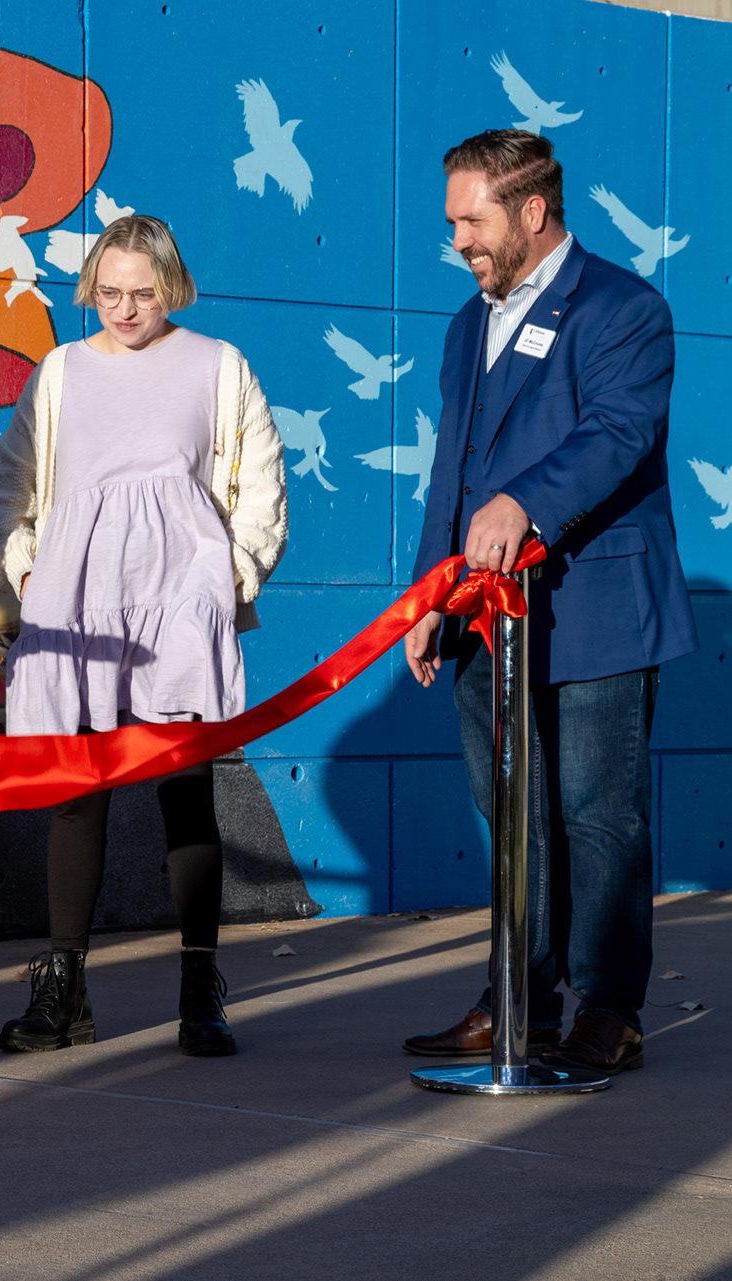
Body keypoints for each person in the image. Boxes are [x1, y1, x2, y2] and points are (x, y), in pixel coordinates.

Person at [401, 131, 695, 1075]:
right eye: (453, 222)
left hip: (598, 605)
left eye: (471, 220)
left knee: (598, 815)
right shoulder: (466, 324)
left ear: (531, 211)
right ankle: (517, 997)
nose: (457, 240)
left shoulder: (624, 308)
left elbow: (618, 432)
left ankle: (609, 1009)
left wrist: (525, 501)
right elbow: (452, 470)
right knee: (510, 811)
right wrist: (430, 595)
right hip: (486, 615)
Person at [0, 215, 288, 1058]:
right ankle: (63, 992)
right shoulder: (59, 372)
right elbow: (11, 489)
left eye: (142, 294)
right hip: (76, 615)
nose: (124, 309)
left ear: (171, 287)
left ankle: (200, 989)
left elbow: (262, 489)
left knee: (186, 793)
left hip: (178, 616)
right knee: (77, 794)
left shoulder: (219, 366)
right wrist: (32, 580)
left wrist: (226, 585)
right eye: (109, 292)